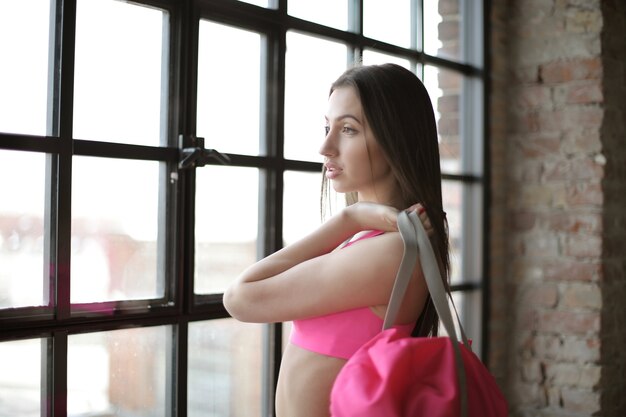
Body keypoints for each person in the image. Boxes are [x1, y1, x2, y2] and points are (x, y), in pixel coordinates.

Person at [223, 63, 450, 417]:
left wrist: (349, 217)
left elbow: (240, 298)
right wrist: (355, 220)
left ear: (396, 138)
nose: (325, 147)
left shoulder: (390, 250)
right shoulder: (372, 242)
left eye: (348, 129)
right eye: (328, 127)